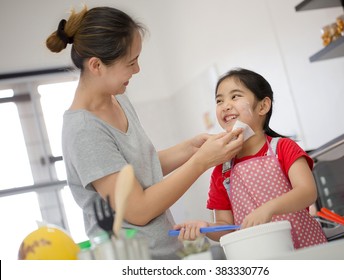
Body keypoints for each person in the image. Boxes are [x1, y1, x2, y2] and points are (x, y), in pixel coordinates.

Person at [46, 6, 244, 259]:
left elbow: (138, 170)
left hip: (166, 252)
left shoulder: (118, 99)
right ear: (96, 65)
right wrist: (201, 161)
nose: (137, 69)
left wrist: (191, 148)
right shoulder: (84, 130)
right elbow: (138, 209)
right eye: (131, 62)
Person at [173, 68, 328, 249]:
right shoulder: (222, 169)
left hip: (306, 252)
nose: (225, 105)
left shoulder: (283, 148)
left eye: (235, 96)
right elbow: (226, 227)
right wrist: (206, 227)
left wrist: (268, 209)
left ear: (262, 106)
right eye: (219, 100)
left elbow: (307, 192)